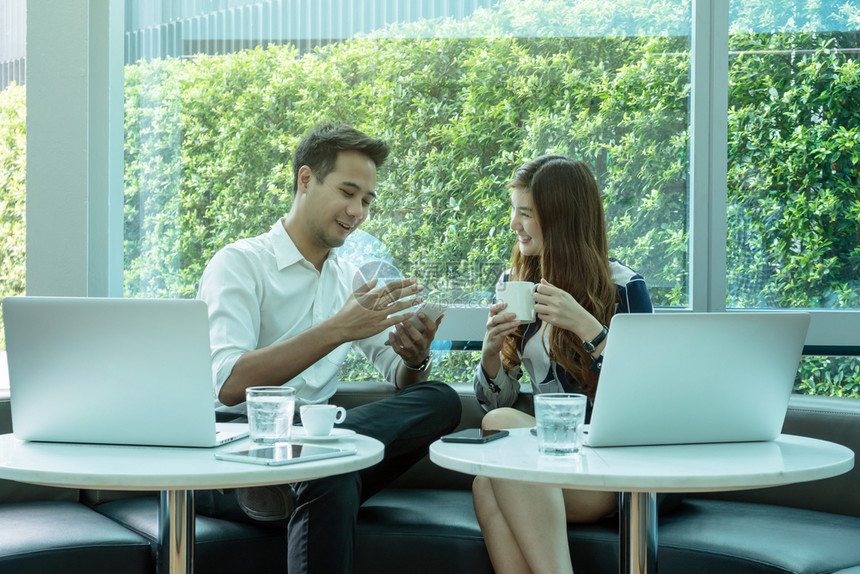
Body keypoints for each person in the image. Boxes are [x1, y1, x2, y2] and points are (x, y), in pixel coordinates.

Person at [196, 122, 461, 574]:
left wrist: (415, 358)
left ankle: (301, 478)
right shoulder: (239, 263)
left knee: (439, 399)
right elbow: (228, 384)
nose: (357, 211)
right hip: (237, 451)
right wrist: (337, 329)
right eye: (348, 192)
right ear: (305, 180)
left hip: (313, 441)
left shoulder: (348, 280)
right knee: (334, 472)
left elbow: (398, 374)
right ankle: (306, 474)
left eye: (367, 201)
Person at [472, 155, 653, 574]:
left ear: (561, 220)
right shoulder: (513, 284)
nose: (514, 224)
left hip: (615, 468)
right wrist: (490, 353)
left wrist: (589, 327)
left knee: (500, 441)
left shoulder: (623, 288)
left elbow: (644, 398)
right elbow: (498, 397)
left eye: (525, 213)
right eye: (513, 210)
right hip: (550, 460)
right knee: (489, 469)